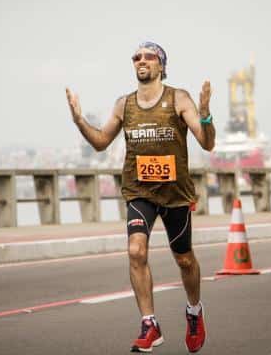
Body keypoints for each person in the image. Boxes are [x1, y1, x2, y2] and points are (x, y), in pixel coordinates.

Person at [66, 41, 215, 353]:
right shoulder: (125, 105)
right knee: (136, 251)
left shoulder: (179, 98)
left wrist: (204, 114)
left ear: (161, 65)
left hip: (176, 195)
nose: (141, 61)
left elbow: (207, 143)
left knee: (185, 260)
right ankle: (150, 324)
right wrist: (79, 119)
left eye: (149, 57)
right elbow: (100, 143)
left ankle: (194, 311)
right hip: (139, 192)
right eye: (136, 57)